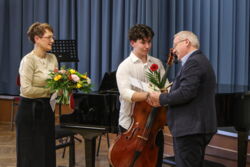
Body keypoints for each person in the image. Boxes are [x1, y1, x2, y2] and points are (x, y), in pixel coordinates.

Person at [148, 31, 217, 167]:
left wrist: (161, 98)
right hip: (194, 127)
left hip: (190, 128)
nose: (173, 50)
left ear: (186, 42)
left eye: (175, 45)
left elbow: (185, 93)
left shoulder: (194, 62)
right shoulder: (199, 60)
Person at [116, 24, 165, 166]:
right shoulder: (125, 66)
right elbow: (125, 93)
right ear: (132, 42)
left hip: (154, 123)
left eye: (149, 42)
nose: (147, 46)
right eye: (143, 42)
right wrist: (149, 95)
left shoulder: (157, 63)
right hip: (132, 125)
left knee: (155, 162)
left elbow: (164, 86)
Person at [15, 22, 58, 167]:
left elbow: (56, 83)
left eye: (52, 37)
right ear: (37, 39)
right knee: (31, 155)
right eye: (49, 37)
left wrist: (63, 88)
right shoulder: (28, 60)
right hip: (29, 113)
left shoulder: (53, 58)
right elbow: (26, 90)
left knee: (46, 152)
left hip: (46, 110)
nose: (52, 40)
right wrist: (49, 92)